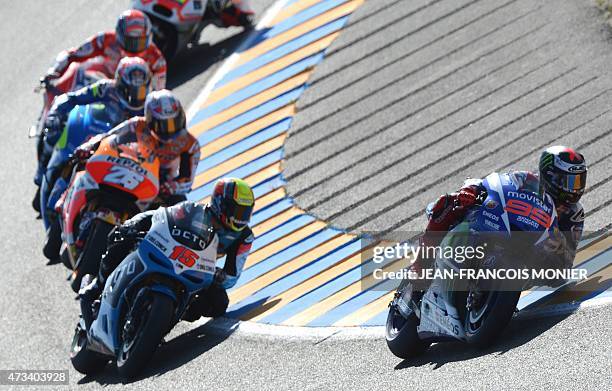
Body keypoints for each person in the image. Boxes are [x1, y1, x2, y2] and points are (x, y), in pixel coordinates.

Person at [80, 178, 256, 320]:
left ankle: (170, 316)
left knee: (218, 304)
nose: (240, 218)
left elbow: (233, 275)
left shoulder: (244, 236)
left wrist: (219, 275)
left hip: (198, 268)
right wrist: (134, 223)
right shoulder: (193, 210)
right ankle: (97, 286)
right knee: (120, 237)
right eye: (237, 211)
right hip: (167, 251)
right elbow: (160, 214)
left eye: (245, 213)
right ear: (220, 203)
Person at [412, 146, 587, 286]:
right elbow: (493, 183)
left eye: (579, 180)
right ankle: (420, 265)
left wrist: (556, 246)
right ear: (550, 176)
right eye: (570, 181)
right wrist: (471, 191)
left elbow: (565, 267)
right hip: (500, 225)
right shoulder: (526, 180)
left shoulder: (573, 214)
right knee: (449, 203)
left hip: (530, 257)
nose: (575, 188)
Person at [33, 57, 152, 195]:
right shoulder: (106, 88)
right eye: (130, 90)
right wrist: (55, 114)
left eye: (141, 91)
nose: (135, 97)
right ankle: (42, 167)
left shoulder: (149, 107)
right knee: (53, 129)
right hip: (95, 131)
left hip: (119, 148)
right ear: (119, 83)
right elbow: (72, 97)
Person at [74, 89, 200, 205]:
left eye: (174, 122)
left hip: (161, 183)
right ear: (150, 119)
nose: (169, 130)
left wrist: (172, 187)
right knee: (81, 164)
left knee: (180, 205)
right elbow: (108, 137)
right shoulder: (137, 125)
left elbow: (187, 181)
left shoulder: (190, 144)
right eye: (163, 124)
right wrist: (88, 146)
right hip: (130, 168)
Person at [42, 9, 166, 92]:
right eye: (130, 41)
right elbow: (74, 54)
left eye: (140, 42)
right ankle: (46, 120)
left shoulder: (156, 60)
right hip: (100, 83)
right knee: (76, 69)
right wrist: (54, 71)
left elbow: (157, 92)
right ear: (119, 35)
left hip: (130, 96)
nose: (135, 47)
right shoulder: (105, 40)